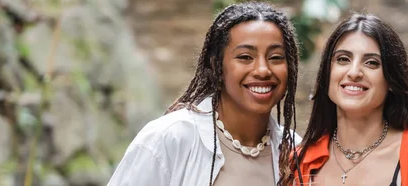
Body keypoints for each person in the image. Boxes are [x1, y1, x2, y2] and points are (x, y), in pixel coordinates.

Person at [107, 2, 301, 186]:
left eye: (275, 57)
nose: (262, 70)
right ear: (216, 66)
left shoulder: (295, 151)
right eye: (245, 57)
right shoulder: (170, 138)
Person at [289, 13, 408, 186]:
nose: (354, 72)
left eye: (371, 63)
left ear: (391, 80)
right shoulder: (301, 161)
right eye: (343, 59)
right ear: (327, 73)